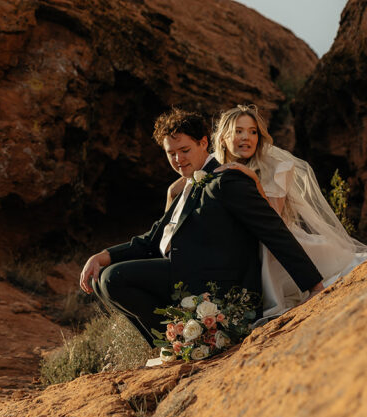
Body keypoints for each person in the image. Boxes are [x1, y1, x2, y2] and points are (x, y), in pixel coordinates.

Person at [78, 108, 323, 346]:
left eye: (184, 150)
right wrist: (102, 256)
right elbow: (153, 238)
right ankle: (174, 343)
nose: (178, 159)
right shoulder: (187, 184)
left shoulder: (227, 180)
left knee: (114, 278)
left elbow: (273, 230)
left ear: (204, 143)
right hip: (183, 274)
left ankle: (181, 341)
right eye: (170, 153)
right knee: (102, 278)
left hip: (215, 285)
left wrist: (313, 285)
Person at [206, 104, 367, 318]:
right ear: (223, 137)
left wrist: (251, 178)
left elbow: (273, 222)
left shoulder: (276, 168)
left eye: (253, 132)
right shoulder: (211, 170)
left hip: (278, 248)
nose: (247, 138)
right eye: (238, 131)